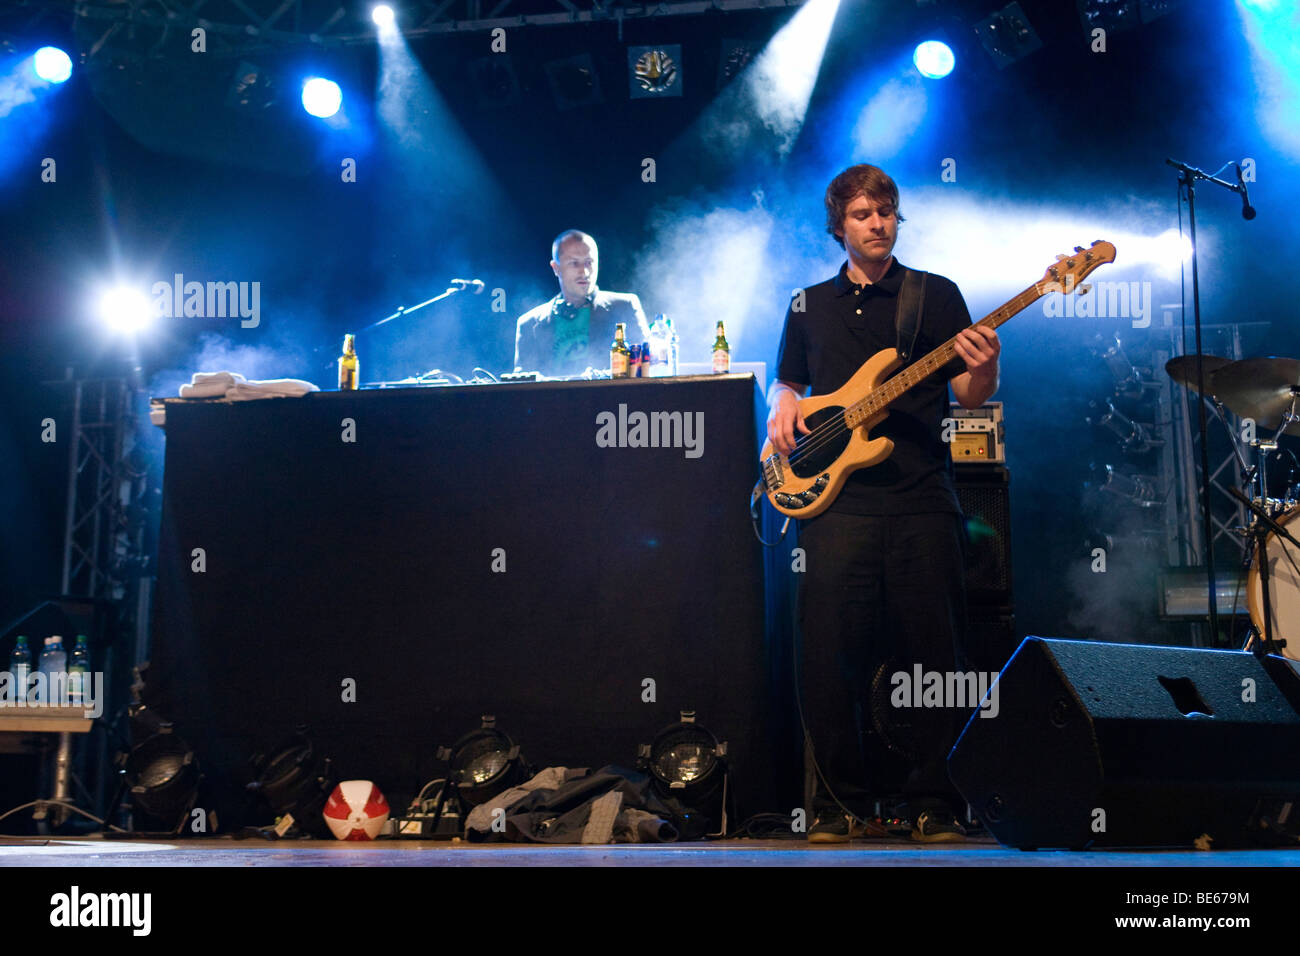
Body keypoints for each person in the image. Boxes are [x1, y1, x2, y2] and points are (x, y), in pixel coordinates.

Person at [766, 164, 1001, 843]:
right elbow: (788, 379)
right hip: (835, 504)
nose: (877, 224)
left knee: (935, 658)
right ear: (839, 225)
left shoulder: (935, 295)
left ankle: (935, 801)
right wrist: (781, 405)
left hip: (922, 496)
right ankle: (840, 802)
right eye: (863, 214)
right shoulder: (808, 303)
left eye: (887, 212)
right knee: (828, 657)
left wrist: (983, 360)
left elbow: (971, 398)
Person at [514, 230, 651, 377]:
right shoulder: (528, 323)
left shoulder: (625, 306)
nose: (584, 272)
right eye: (574, 263)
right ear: (556, 268)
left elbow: (646, 368)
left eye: (589, 262)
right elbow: (521, 389)